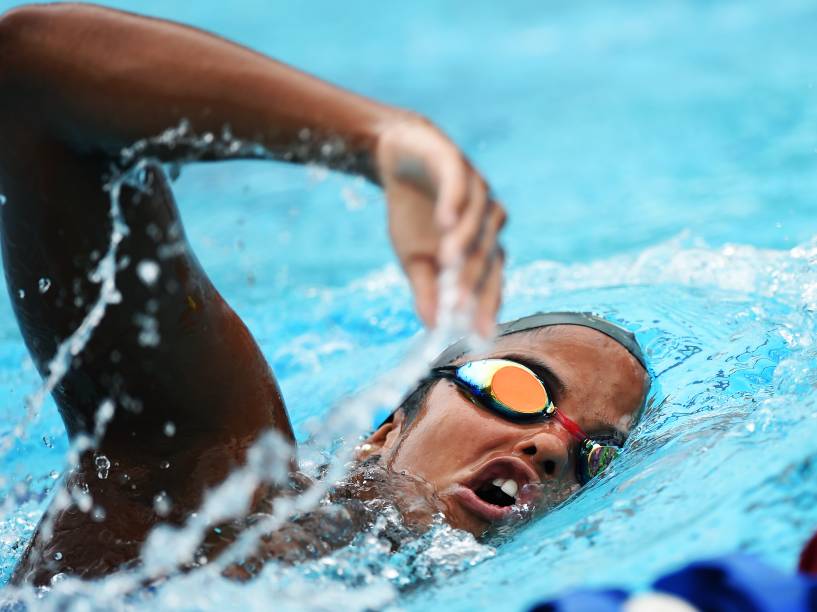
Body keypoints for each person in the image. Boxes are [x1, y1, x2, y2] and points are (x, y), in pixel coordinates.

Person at [0, 3, 650, 587]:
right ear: (389, 423)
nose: (551, 445)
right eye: (518, 386)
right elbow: (31, 73)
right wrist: (380, 140)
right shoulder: (221, 482)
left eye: (591, 451)